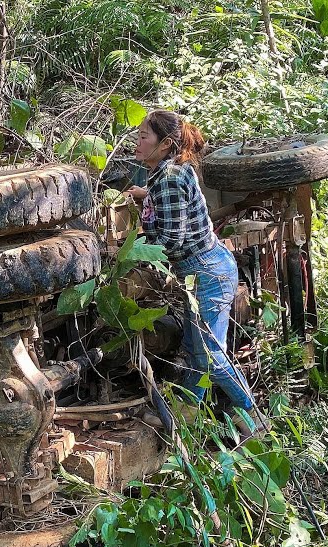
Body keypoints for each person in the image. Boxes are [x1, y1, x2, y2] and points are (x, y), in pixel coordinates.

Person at [125, 110, 267, 435]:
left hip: (207, 274)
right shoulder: (168, 173)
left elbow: (172, 239)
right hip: (203, 270)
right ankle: (185, 413)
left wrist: (132, 252)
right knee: (195, 350)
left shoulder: (170, 178)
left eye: (144, 135)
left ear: (165, 144)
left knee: (210, 356)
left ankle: (254, 418)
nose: (138, 141)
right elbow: (176, 205)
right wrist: (144, 196)